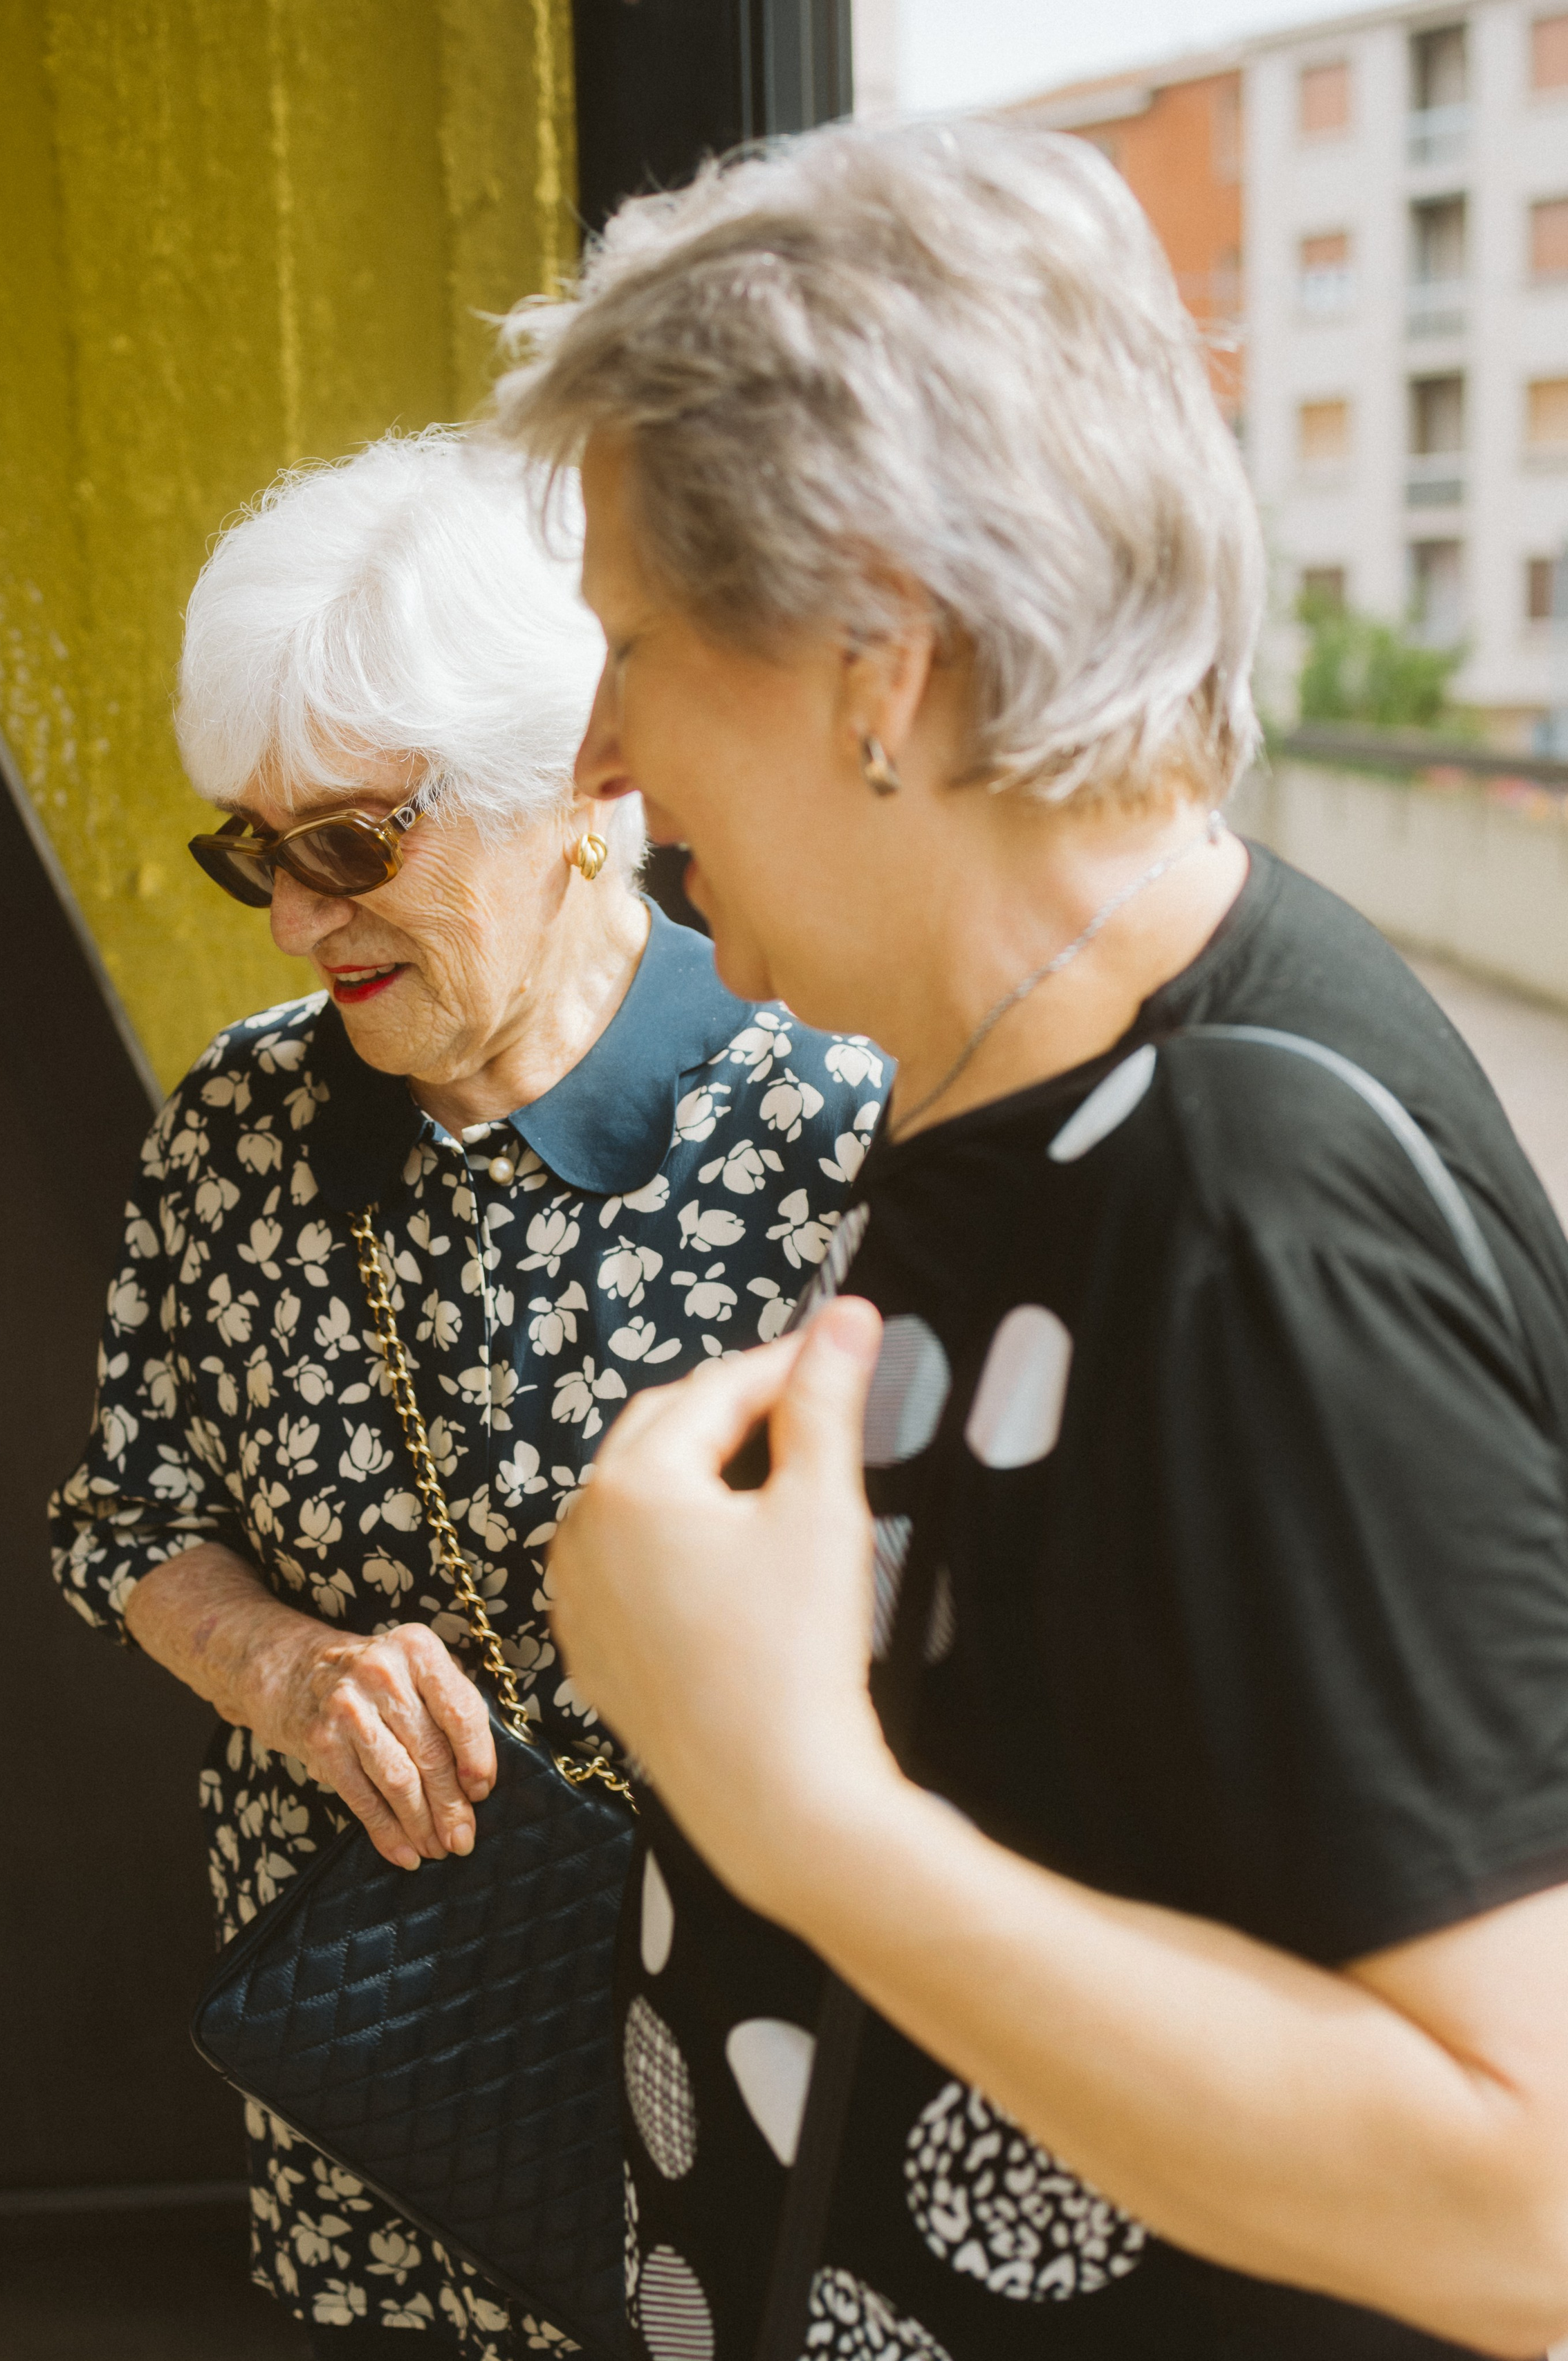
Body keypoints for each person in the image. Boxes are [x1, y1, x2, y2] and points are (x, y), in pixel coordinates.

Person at [496, 120, 1568, 2361]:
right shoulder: (1029, 1072)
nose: (596, 758)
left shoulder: (1251, 1217)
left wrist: (791, 1807)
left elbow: (1527, 2195)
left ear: (881, 653)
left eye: (633, 647)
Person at [47, 428, 887, 2355]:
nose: (289, 918)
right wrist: (286, 1671)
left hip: (743, 2026)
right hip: (405, 2044)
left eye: (350, 842)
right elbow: (125, 1519)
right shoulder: (241, 1119)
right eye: (252, 848)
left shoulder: (826, 1126)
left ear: (578, 789)